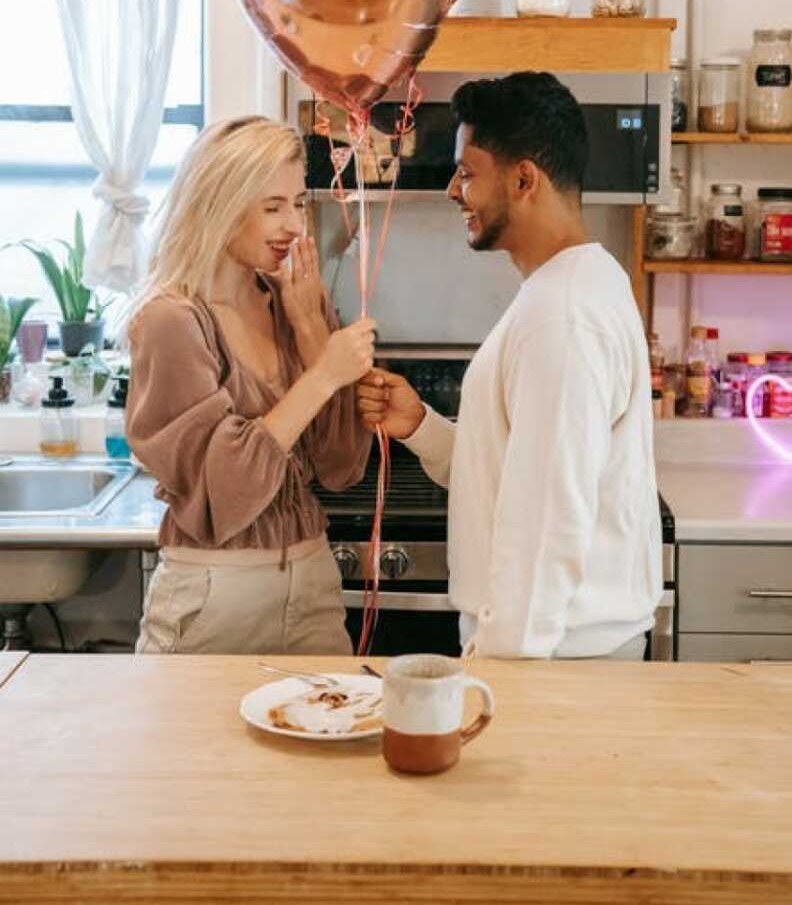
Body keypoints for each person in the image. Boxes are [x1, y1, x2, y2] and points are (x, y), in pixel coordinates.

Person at [357, 73, 662, 660]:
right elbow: (513, 471)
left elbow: (548, 520)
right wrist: (422, 425)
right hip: (556, 651)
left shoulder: (563, 317)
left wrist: (503, 673)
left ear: (524, 179)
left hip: (554, 661)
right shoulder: (570, 288)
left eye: (467, 173)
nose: (453, 190)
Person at [127, 115, 374, 655]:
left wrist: (310, 329)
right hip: (214, 593)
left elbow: (341, 468)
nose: (295, 227)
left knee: (327, 736)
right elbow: (225, 493)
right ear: (220, 204)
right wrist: (325, 374)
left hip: (312, 582)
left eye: (299, 203)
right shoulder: (175, 321)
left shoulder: (294, 305)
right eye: (272, 207)